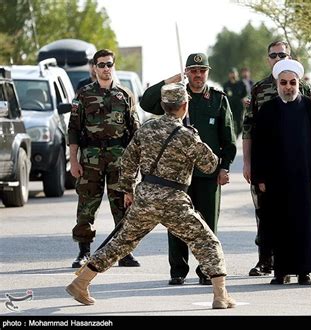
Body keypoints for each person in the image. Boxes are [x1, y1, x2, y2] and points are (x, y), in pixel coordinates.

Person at [65, 83, 236, 309]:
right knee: (206, 241)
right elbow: (210, 165)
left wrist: (127, 189)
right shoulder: (186, 135)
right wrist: (197, 139)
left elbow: (127, 161)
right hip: (174, 200)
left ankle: (81, 281)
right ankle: (220, 295)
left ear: (164, 105)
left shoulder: (146, 129)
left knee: (121, 242)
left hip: (145, 197)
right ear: (184, 106)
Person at [140, 53, 237, 286]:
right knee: (176, 224)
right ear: (187, 72)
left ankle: (206, 271)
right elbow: (145, 102)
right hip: (178, 176)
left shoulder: (217, 99)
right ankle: (178, 270)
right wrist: (169, 81)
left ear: (207, 72)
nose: (198, 75)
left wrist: (224, 168)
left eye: (202, 70)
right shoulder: (176, 97)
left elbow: (229, 139)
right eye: (193, 70)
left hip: (207, 174)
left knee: (207, 226)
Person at [252, 59, 311, 284]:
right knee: (279, 224)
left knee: (305, 224)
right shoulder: (267, 110)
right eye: (284, 83)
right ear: (277, 84)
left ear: (299, 83)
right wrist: (260, 177)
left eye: (292, 82)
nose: (288, 87)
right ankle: (281, 272)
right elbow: (259, 147)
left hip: (306, 179)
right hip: (276, 180)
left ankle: (304, 271)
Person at [242, 40, 311, 277]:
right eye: (273, 55)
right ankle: (265, 260)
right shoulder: (260, 89)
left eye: (282, 54)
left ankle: (299, 264)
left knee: (298, 214)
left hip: (298, 165)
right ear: (268, 59)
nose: (278, 58)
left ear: (290, 56)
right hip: (270, 164)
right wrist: (248, 163)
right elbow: (249, 127)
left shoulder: (304, 87)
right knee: (265, 212)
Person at [68, 49, 141, 269]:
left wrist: (135, 164)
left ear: (113, 66)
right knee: (87, 204)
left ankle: (124, 253)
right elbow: (73, 129)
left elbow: (135, 132)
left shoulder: (125, 95)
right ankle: (84, 252)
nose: (106, 68)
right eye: (101, 65)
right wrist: (73, 160)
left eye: (109, 64)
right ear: (94, 68)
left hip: (119, 158)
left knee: (122, 205)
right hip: (90, 157)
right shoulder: (84, 94)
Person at [223, 67, 248, 138]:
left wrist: (245, 100)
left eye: (234, 73)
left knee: (239, 123)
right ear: (229, 75)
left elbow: (245, 95)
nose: (233, 75)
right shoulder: (226, 85)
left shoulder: (241, 84)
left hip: (239, 107)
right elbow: (224, 96)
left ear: (237, 74)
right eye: (231, 73)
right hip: (229, 107)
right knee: (229, 122)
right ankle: (232, 136)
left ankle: (237, 135)